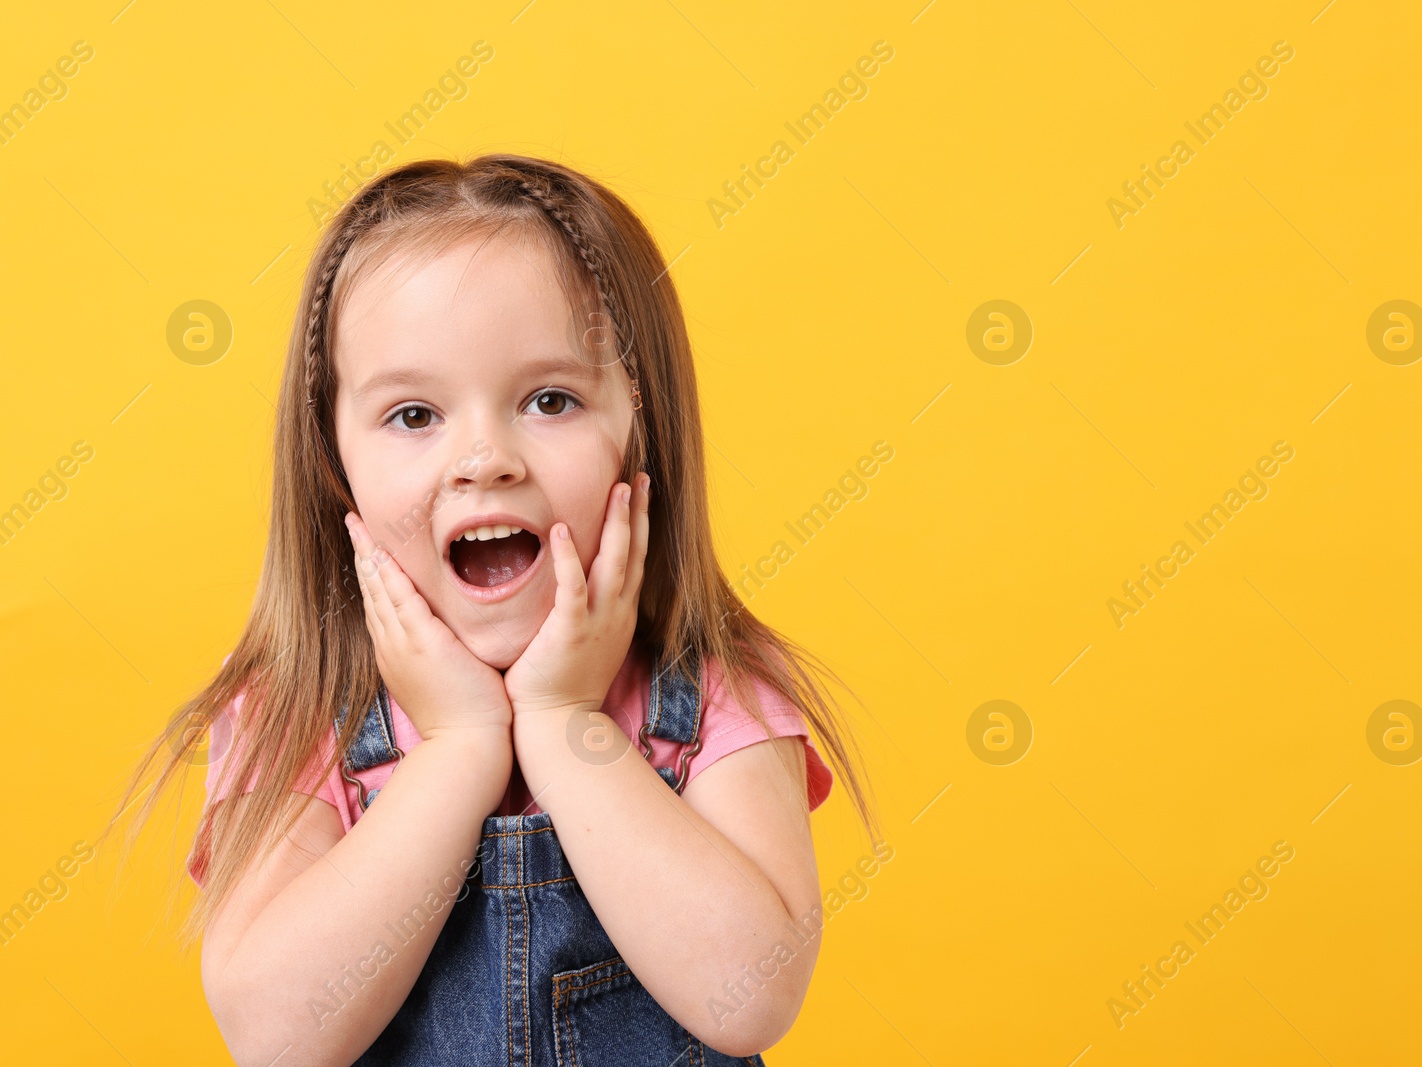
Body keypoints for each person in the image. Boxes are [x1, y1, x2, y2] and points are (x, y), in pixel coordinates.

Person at [112, 154, 878, 1066]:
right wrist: (462, 748)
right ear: (333, 459)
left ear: (644, 428)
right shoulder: (298, 708)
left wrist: (562, 725)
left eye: (549, 400)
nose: (485, 458)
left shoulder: (717, 691)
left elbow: (749, 994)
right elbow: (275, 1036)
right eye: (412, 415)